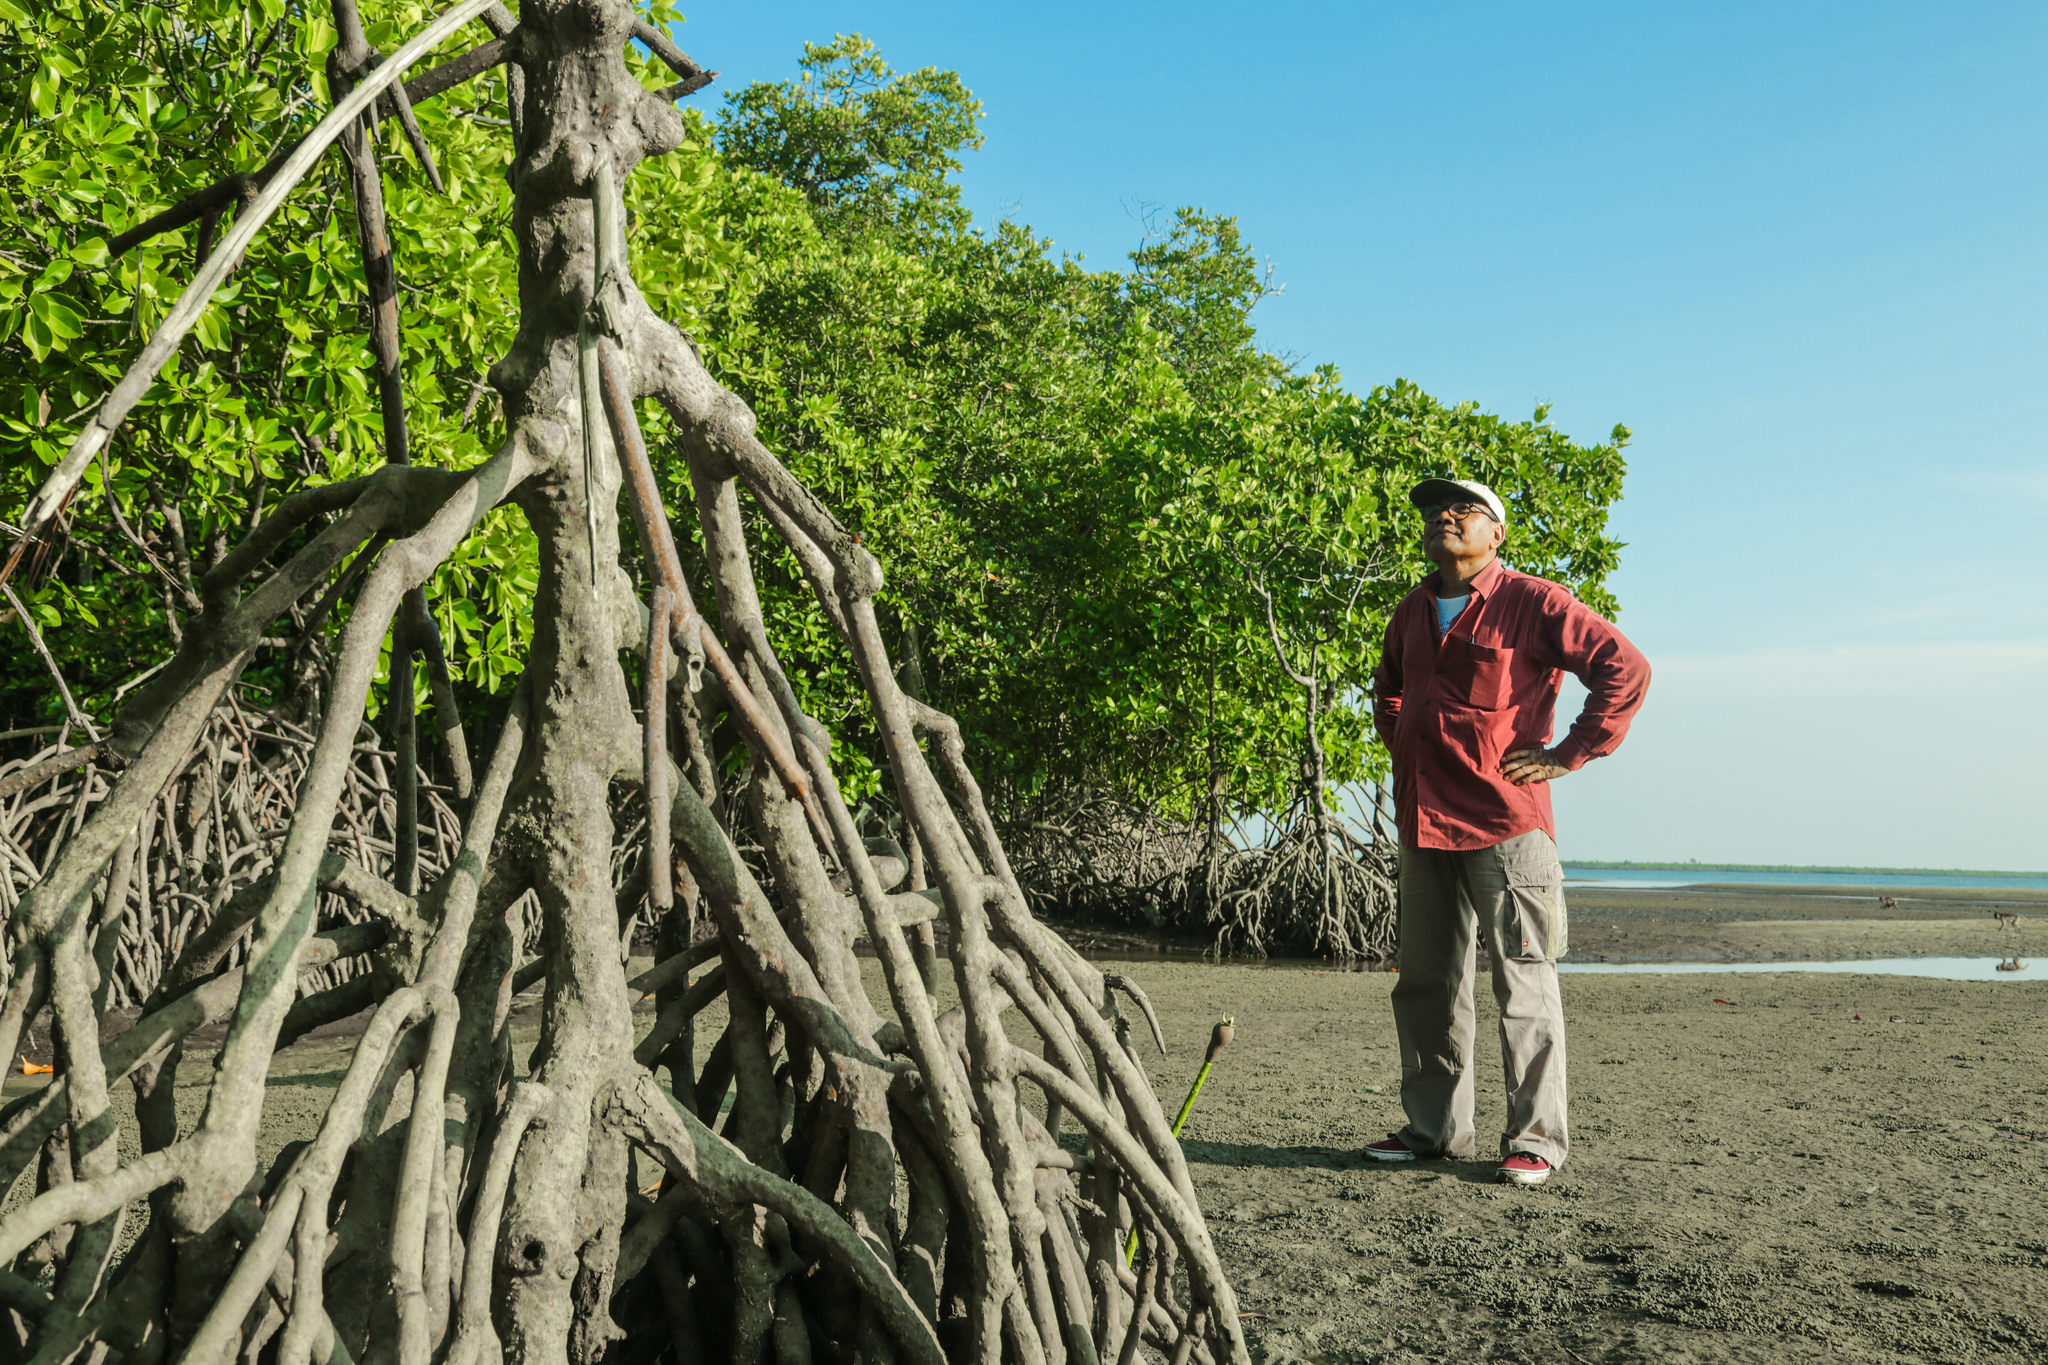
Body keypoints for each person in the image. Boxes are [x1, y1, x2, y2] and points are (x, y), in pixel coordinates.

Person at [1363, 477, 1650, 1186]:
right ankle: (1433, 1131)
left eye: (1462, 510)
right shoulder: (1412, 610)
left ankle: (1535, 1141)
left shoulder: (1533, 601)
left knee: (1523, 978)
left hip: (1505, 824)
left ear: (1498, 532)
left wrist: (1565, 755)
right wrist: (1406, 748)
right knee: (1427, 983)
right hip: (1424, 822)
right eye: (1435, 511)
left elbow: (1626, 668)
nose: (1444, 518)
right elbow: (1388, 690)